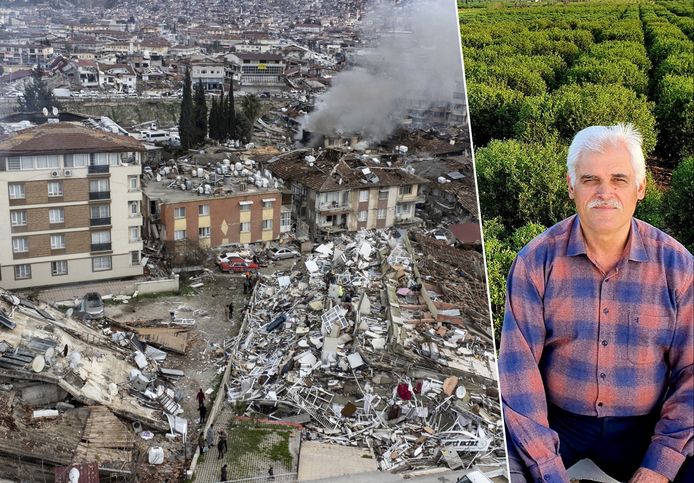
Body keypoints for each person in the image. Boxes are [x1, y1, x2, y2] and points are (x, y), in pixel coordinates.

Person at [499, 124, 693, 483]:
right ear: (572, 186)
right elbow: (518, 372)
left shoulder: (678, 267)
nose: (605, 193)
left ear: (641, 188)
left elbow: (691, 375)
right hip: (559, 423)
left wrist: (659, 467)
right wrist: (548, 471)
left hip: (645, 427)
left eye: (619, 179)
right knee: (498, 462)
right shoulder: (536, 262)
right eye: (590, 180)